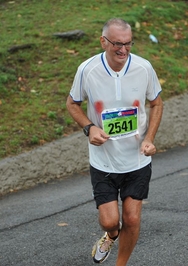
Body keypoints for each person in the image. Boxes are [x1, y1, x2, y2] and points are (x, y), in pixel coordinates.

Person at [66, 18, 163, 265]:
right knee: (111, 221)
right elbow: (72, 104)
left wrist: (150, 138)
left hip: (137, 159)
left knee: (132, 218)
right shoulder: (87, 70)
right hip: (103, 161)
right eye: (117, 44)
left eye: (128, 43)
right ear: (103, 41)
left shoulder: (143, 68)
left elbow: (157, 102)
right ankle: (110, 234)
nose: (123, 50)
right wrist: (89, 128)